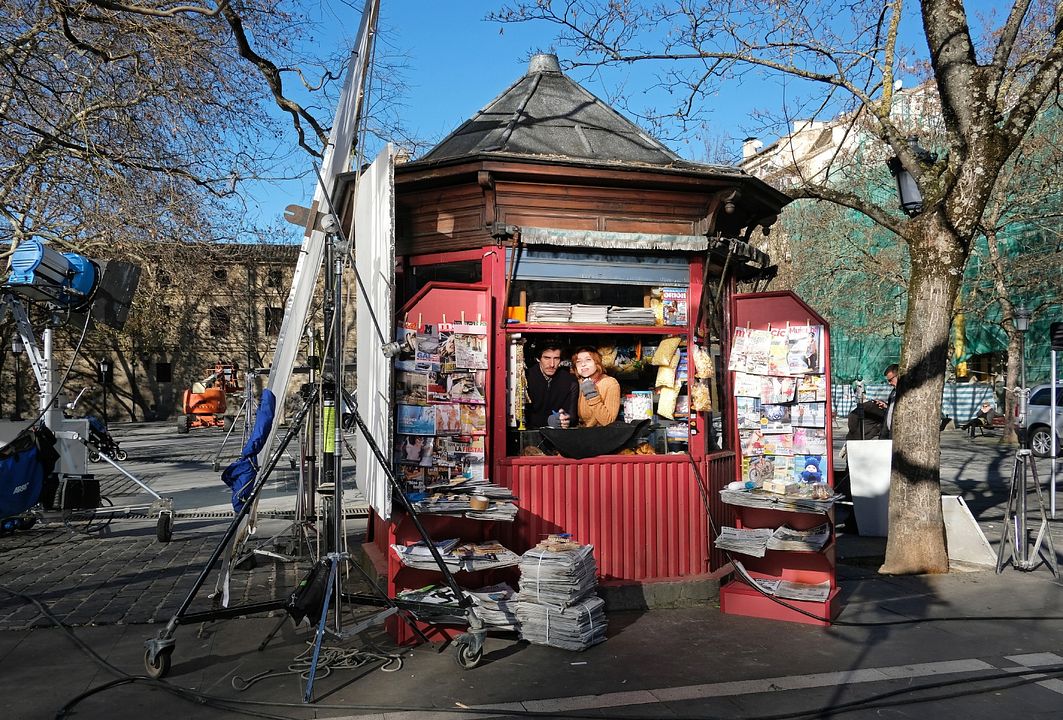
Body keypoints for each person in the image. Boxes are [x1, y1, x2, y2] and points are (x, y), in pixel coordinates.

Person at [524, 341, 579, 429]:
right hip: (531, 434)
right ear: (538, 359)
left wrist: (565, 420)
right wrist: (548, 420)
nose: (552, 364)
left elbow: (572, 416)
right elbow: (522, 417)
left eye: (556, 358)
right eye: (547, 358)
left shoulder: (569, 381)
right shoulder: (526, 378)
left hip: (558, 435)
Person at [572, 347, 621, 427]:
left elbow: (608, 422)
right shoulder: (577, 383)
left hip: (601, 435)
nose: (583, 364)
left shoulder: (610, 383)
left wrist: (592, 395)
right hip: (581, 434)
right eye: (578, 361)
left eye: (588, 360)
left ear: (597, 362)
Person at [878, 363, 899, 439]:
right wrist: (886, 406)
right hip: (888, 436)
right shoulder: (893, 392)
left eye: (890, 380)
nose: (889, 383)